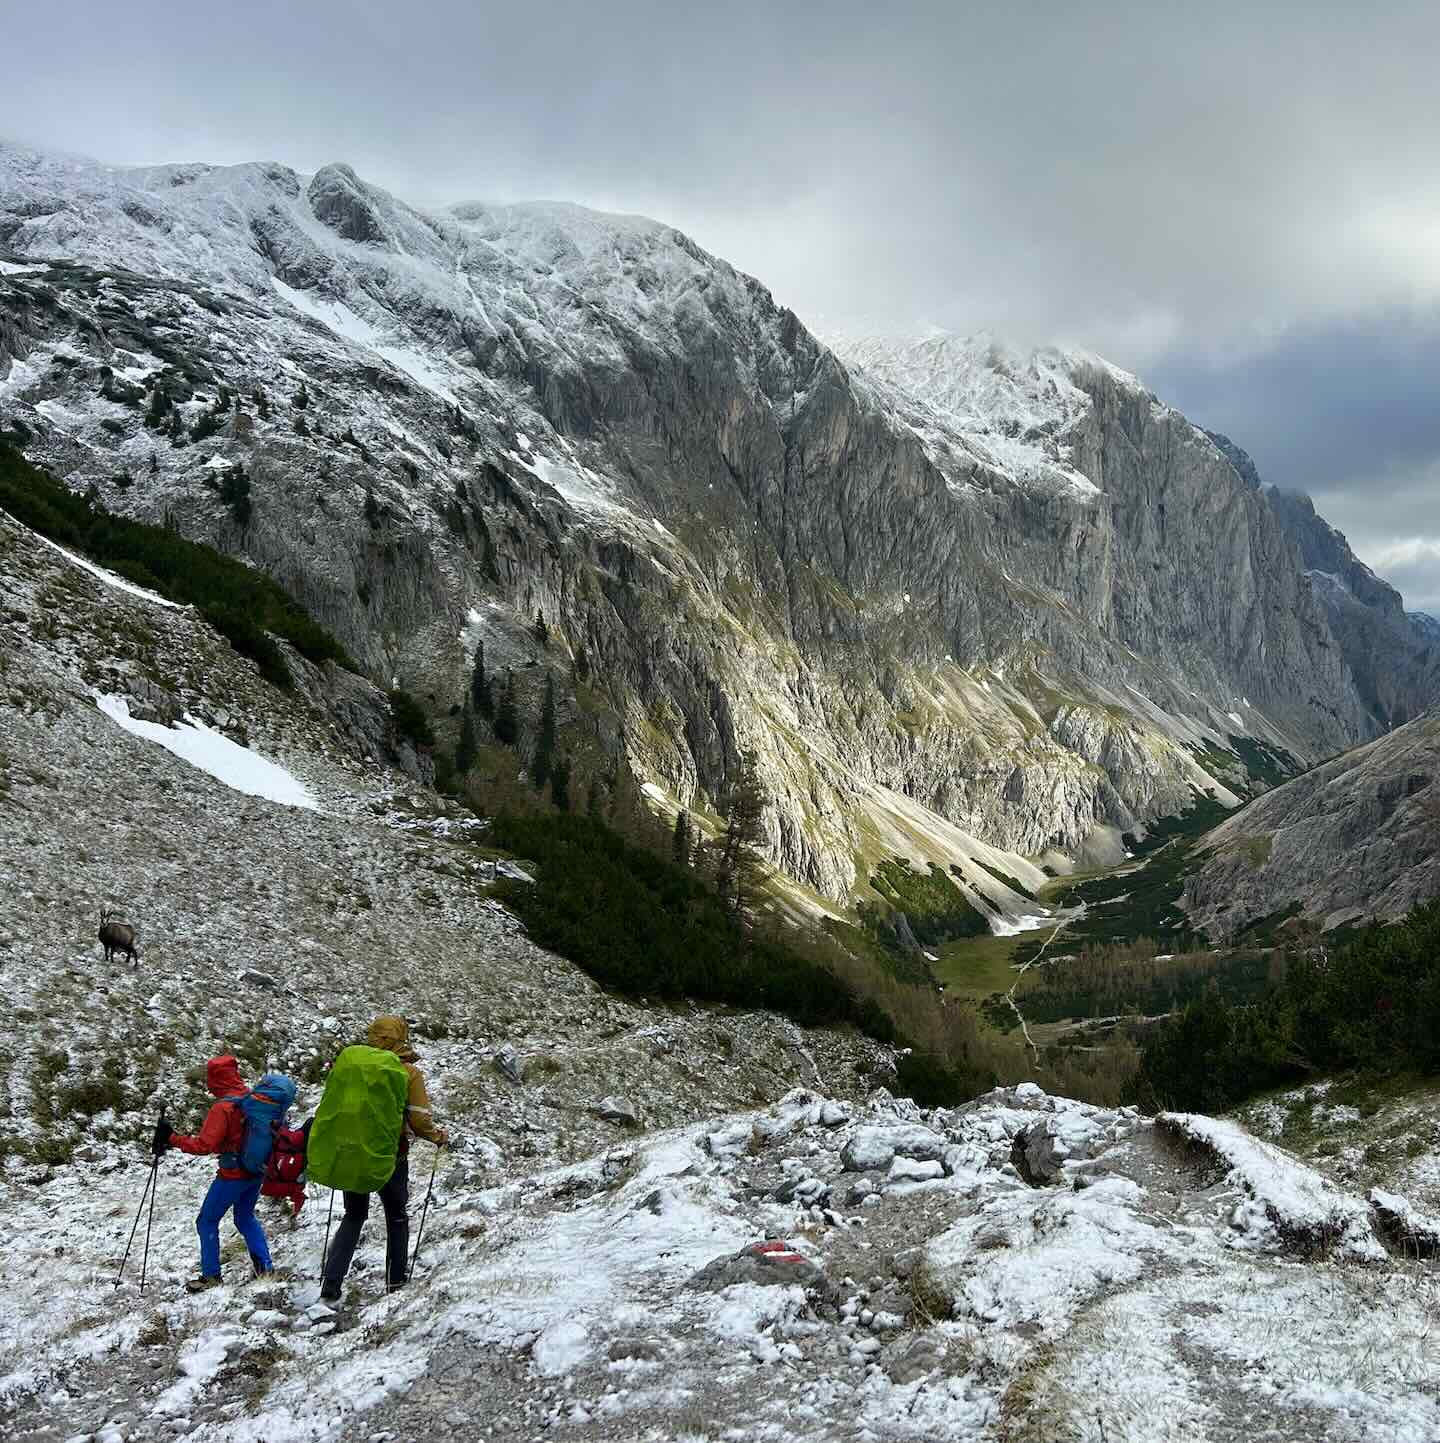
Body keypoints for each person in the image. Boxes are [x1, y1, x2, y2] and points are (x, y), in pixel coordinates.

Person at [320, 1016, 447, 1301]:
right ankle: (395, 1283)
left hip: (351, 1150)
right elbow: (418, 1119)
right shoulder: (408, 1072)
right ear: (401, 1037)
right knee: (397, 1217)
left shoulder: (352, 1065)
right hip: (390, 1154)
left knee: (353, 1215)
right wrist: (437, 1136)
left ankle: (331, 1283)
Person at [154, 1055, 275, 1292]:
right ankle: (265, 1267)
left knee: (206, 1221)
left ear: (215, 1080)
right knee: (245, 1218)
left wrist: (172, 1138)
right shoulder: (252, 1098)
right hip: (256, 1170)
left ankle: (211, 1276)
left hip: (232, 1175)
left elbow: (203, 1145)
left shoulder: (223, 1108)